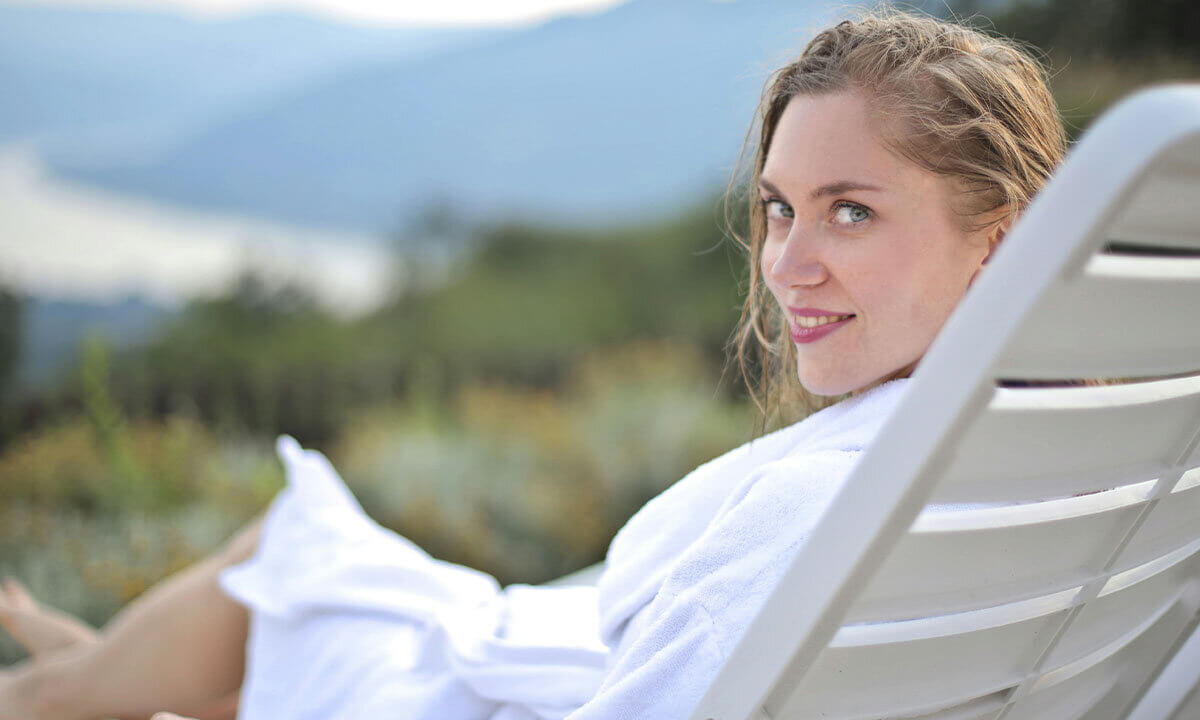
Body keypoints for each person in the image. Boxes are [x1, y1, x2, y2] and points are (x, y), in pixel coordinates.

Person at [0, 8, 1066, 720]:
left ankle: (66, 687)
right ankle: (79, 676)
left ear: (1002, 240)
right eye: (780, 209)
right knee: (303, 573)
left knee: (287, 563)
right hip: (522, 663)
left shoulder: (835, 500)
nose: (788, 264)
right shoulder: (1045, 458)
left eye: (852, 211)